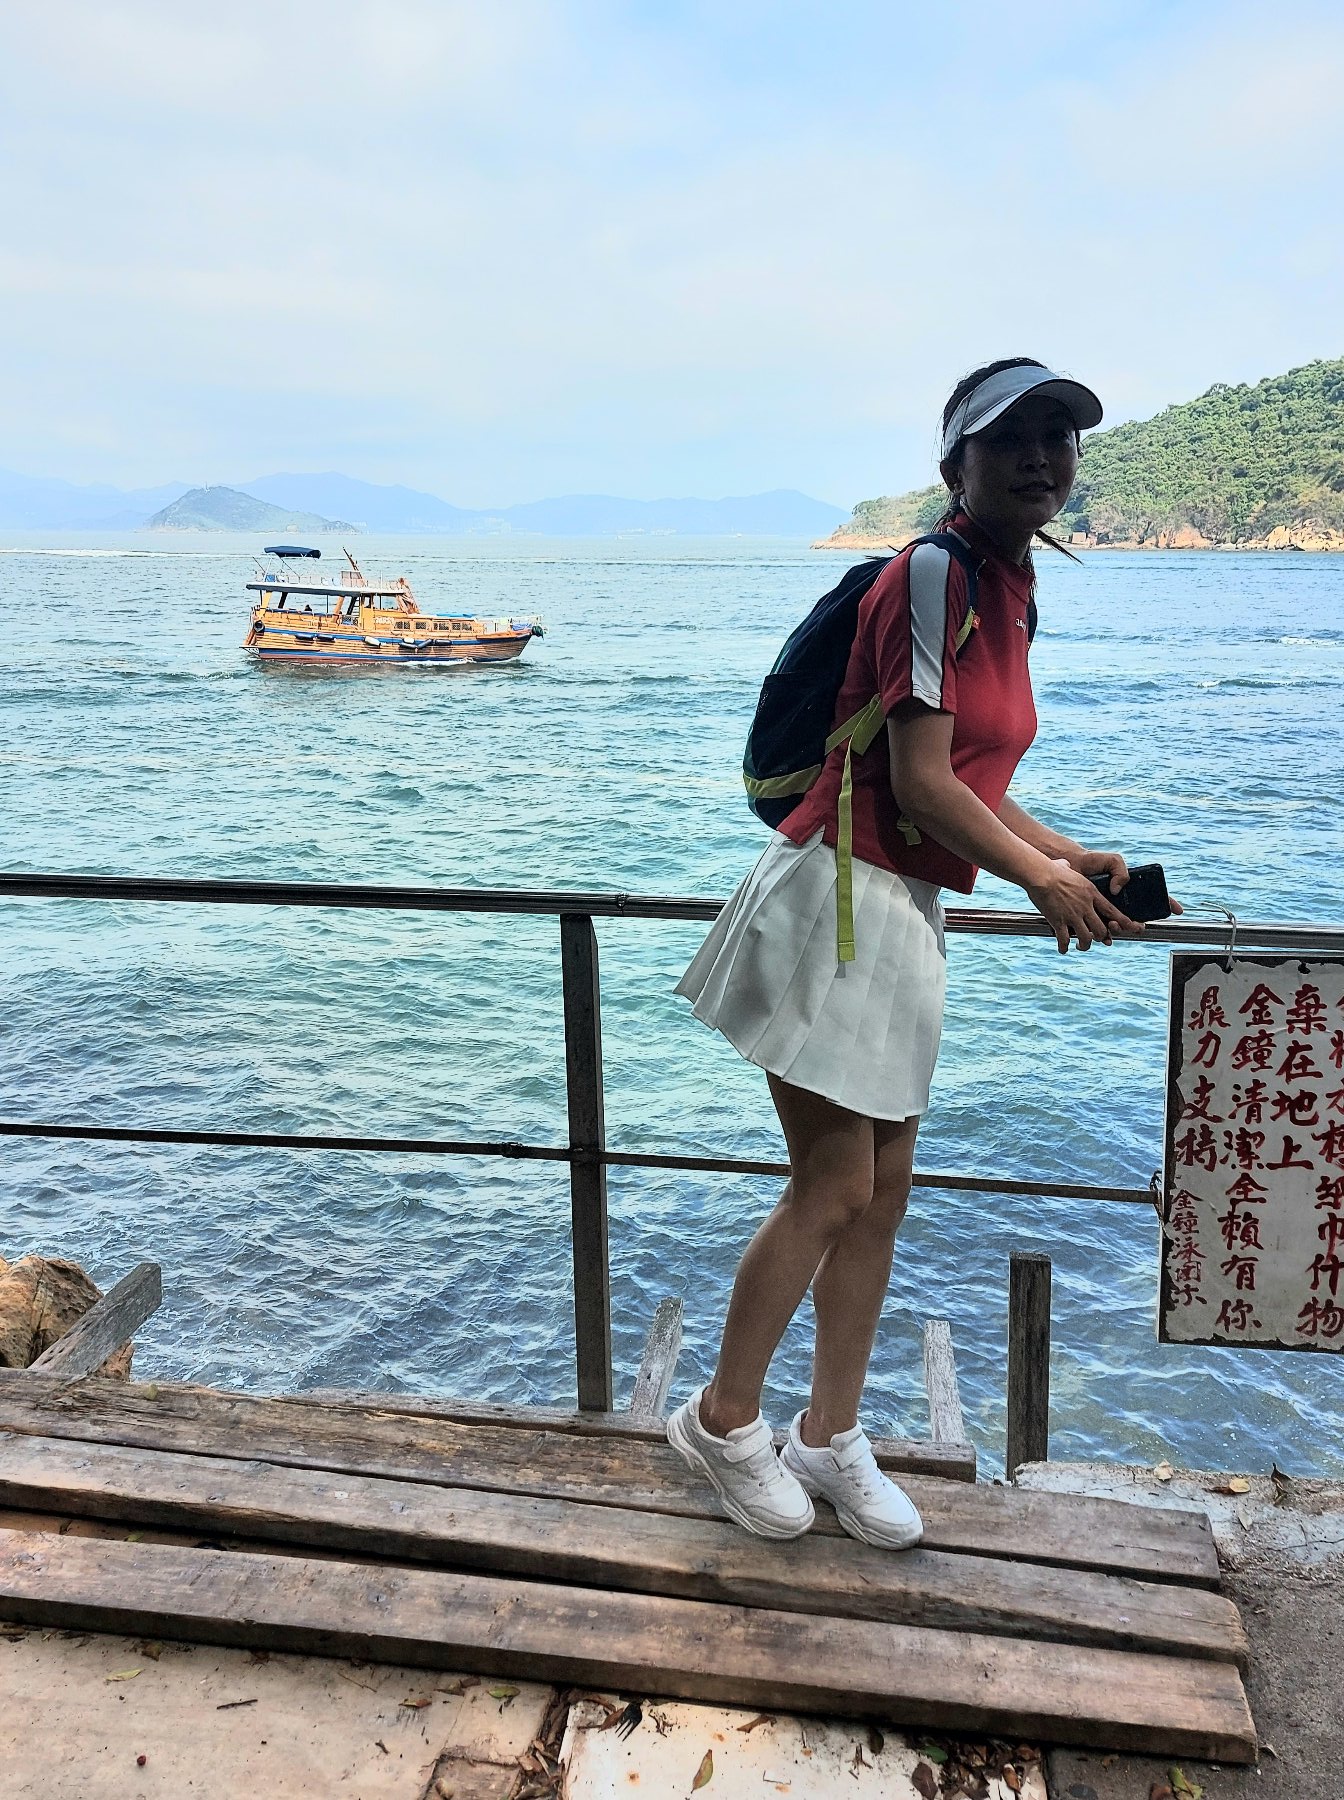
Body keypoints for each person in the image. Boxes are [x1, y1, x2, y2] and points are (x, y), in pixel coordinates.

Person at [669, 358, 1153, 1548]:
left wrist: (1067, 852)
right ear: (955, 464)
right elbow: (920, 783)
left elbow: (972, 777)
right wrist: (1036, 877)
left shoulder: (1007, 584)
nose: (1042, 456)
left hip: (901, 907)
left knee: (882, 1195)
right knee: (834, 1185)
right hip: (838, 894)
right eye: (1012, 437)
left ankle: (827, 1436)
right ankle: (722, 1422)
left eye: (1059, 437)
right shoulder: (936, 571)